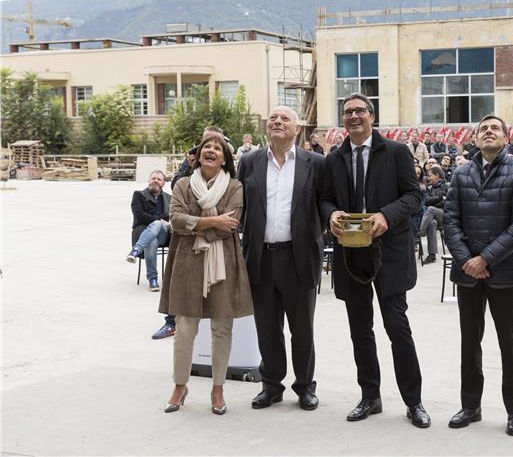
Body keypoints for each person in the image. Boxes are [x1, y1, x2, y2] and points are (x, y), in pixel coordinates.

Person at [320, 93, 430, 428]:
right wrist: (332, 214)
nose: (353, 116)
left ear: (372, 116)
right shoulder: (334, 158)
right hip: (351, 252)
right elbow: (324, 199)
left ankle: (414, 402)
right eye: (347, 112)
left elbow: (414, 195)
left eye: (359, 111)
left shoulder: (395, 152)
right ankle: (370, 396)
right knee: (360, 329)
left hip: (389, 252)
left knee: (397, 326)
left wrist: (386, 215)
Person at [443, 114, 513, 437]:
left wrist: (485, 258)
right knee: (470, 342)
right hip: (468, 272)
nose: (488, 132)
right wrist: (467, 260)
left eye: (495, 128)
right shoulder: (461, 173)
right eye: (483, 129)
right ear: (475, 138)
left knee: (509, 343)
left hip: (504, 272)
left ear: (506, 138)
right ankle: (470, 406)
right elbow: (450, 221)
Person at [238, 106, 325, 412]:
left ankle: (305, 386)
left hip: (298, 257)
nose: (277, 121)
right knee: (267, 328)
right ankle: (271, 385)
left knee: (302, 329)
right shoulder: (249, 161)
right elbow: (240, 206)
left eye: (284, 118)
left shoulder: (315, 163)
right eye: (273, 118)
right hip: (260, 257)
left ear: (297, 129)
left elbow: (325, 204)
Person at [159, 134, 253, 415]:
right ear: (199, 155)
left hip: (222, 264)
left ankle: (218, 388)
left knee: (222, 329)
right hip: (187, 263)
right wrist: (212, 220)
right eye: (206, 147)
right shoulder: (183, 185)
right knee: (184, 329)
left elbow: (230, 225)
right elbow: (176, 220)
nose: (211, 150)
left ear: (224, 158)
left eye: (217, 148)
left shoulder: (235, 186)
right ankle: (180, 385)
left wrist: (196, 226)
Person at [127, 170, 172, 293]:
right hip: (143, 233)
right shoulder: (138, 195)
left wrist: (161, 221)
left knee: (157, 224)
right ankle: (153, 280)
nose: (155, 181)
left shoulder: (169, 198)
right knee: (152, 241)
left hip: (163, 234)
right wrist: (160, 219)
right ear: (149, 181)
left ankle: (136, 250)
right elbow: (139, 216)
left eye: (159, 179)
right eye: (153, 178)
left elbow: (170, 217)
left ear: (163, 183)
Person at [417, 166, 447, 264]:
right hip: (433, 216)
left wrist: (435, 201)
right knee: (432, 223)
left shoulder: (447, 186)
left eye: (430, 176)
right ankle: (432, 255)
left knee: (431, 209)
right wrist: (440, 198)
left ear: (437, 175)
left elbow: (448, 202)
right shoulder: (429, 188)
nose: (428, 178)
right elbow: (426, 201)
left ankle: (421, 232)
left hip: (445, 215)